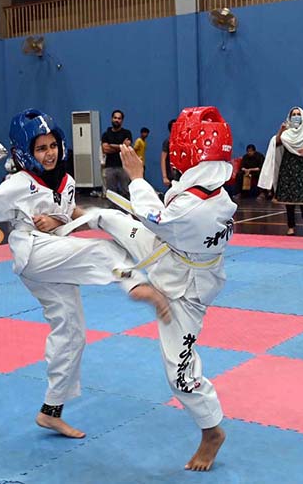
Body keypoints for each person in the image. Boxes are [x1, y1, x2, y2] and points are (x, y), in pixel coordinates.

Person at [0, 109, 169, 439]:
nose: (49, 152)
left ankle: (51, 411)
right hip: (32, 252)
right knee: (101, 250)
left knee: (72, 332)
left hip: (55, 258)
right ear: (26, 151)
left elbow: (68, 214)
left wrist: (57, 220)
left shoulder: (67, 181)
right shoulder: (18, 183)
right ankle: (135, 283)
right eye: (40, 148)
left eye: (52, 145)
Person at [94, 106, 236, 471]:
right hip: (170, 254)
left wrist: (137, 177)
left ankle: (212, 431)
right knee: (107, 220)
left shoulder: (194, 207)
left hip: (186, 289)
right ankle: (78, 222)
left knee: (180, 375)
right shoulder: (205, 184)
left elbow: (154, 217)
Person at [258, 106, 303, 236]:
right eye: (293, 114)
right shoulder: (286, 134)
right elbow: (277, 143)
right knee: (289, 200)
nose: (296, 116)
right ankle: (291, 226)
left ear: (302, 116)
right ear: (289, 117)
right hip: (288, 168)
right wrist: (281, 130)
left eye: (298, 114)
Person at [101, 109, 133, 198]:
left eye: (119, 118)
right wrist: (121, 146)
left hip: (124, 166)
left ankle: (127, 211)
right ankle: (112, 211)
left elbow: (126, 147)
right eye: (115, 118)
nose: (117, 120)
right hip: (110, 167)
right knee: (111, 193)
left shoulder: (127, 133)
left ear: (122, 120)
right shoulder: (106, 134)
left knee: (125, 191)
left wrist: (112, 146)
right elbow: (105, 149)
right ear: (112, 119)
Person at [161, 119, 181, 187]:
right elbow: (163, 159)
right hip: (172, 175)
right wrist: (164, 177)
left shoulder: (183, 141)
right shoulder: (167, 142)